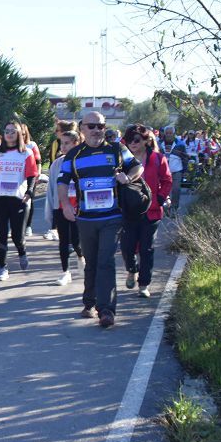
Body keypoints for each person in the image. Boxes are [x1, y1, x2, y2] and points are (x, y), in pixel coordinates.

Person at [58, 111, 143, 328]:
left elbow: (137, 166)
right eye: (92, 126)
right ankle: (89, 302)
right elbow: (62, 181)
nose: (97, 130)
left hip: (112, 217)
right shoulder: (74, 155)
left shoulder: (115, 149)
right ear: (82, 129)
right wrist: (66, 205)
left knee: (105, 261)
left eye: (101, 126)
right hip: (86, 218)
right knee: (92, 262)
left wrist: (128, 177)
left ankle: (106, 310)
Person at [120, 125, 172, 299]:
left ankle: (143, 284)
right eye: (129, 140)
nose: (133, 143)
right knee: (127, 247)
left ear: (146, 140)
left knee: (146, 249)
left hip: (151, 212)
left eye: (137, 140)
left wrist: (159, 199)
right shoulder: (122, 159)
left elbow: (167, 180)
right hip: (128, 211)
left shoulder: (158, 158)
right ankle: (131, 270)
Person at [0, 121, 39, 281]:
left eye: (13, 131)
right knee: (1, 233)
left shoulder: (26, 153)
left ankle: (22, 251)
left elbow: (32, 175)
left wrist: (30, 192)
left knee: (17, 235)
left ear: (19, 134)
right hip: (0, 198)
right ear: (3, 134)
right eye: (7, 131)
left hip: (18, 198)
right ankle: (3, 268)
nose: (10, 134)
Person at [45, 126, 84, 285]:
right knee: (63, 241)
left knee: (76, 241)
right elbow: (52, 189)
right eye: (61, 143)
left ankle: (81, 257)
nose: (63, 147)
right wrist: (52, 212)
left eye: (67, 143)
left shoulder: (83, 161)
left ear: (76, 143)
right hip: (61, 208)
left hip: (79, 209)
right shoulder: (57, 164)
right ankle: (65, 272)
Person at [157, 125, 187, 217]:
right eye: (167, 133)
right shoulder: (159, 144)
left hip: (176, 171)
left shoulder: (180, 144)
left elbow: (185, 158)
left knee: (176, 190)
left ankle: (174, 209)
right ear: (164, 134)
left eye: (170, 133)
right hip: (163, 172)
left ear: (174, 133)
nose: (169, 135)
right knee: (164, 191)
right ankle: (166, 207)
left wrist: (185, 170)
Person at [21, 123, 43, 237]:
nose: (21, 136)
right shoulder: (11, 147)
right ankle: (18, 226)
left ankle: (28, 226)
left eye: (23, 134)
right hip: (18, 180)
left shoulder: (32, 145)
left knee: (29, 201)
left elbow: (38, 161)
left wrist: (37, 174)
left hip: (30, 177)